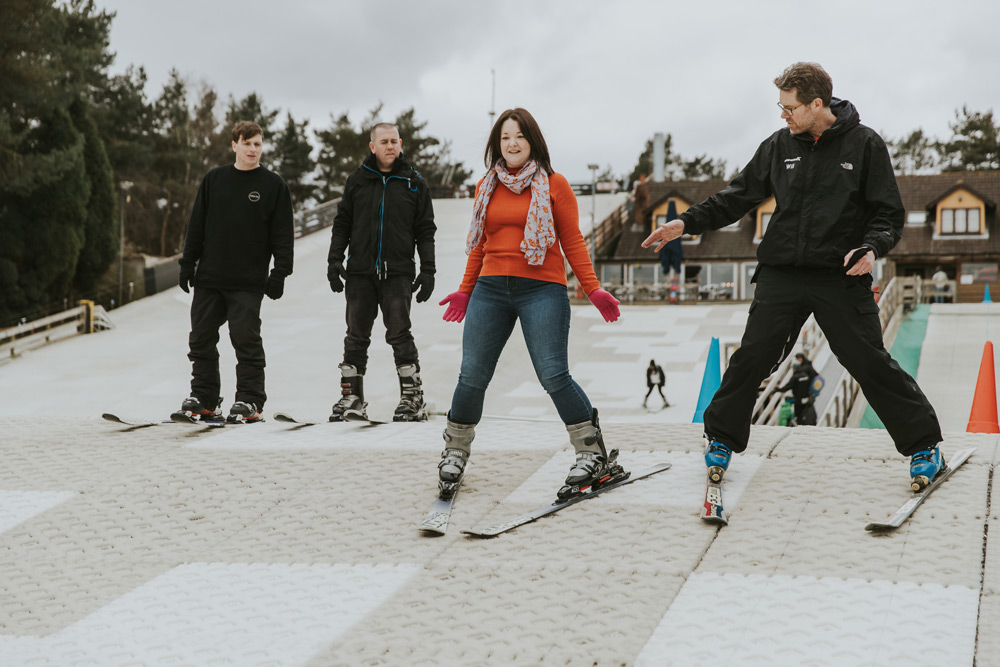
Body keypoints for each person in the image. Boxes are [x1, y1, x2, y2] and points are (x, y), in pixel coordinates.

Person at [641, 62, 945, 490]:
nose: (782, 114)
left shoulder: (864, 146)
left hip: (839, 275)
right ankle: (721, 439)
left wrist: (873, 247)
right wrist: (686, 223)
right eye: (780, 106)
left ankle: (924, 446)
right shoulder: (780, 145)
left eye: (789, 107)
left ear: (817, 104)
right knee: (752, 356)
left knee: (868, 361)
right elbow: (738, 195)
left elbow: (888, 214)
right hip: (782, 272)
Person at [436, 107, 622, 499]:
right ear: (497, 144)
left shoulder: (555, 184)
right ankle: (455, 450)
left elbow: (573, 241)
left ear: (532, 140)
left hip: (541, 289)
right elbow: (481, 244)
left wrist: (593, 289)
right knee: (471, 374)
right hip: (490, 288)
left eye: (518, 135)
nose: (512, 143)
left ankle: (591, 452)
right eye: (505, 137)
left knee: (553, 374)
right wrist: (466, 289)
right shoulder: (486, 185)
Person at [177, 120, 294, 423]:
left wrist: (280, 273)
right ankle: (204, 398)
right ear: (234, 145)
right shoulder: (214, 180)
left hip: (248, 280)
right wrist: (187, 264)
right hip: (210, 277)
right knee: (200, 339)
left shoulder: (273, 185)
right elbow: (197, 226)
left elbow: (283, 234)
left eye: (257, 144)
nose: (253, 149)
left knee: (246, 340)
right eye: (247, 143)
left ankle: (250, 400)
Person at [327, 122, 436, 422]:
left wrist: (429, 270)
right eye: (383, 141)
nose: (390, 146)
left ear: (401, 144)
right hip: (360, 273)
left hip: (397, 274)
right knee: (356, 335)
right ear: (372, 146)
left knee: (400, 334)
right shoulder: (358, 181)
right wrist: (334, 260)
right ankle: (352, 397)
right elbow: (342, 223)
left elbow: (425, 230)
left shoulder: (414, 183)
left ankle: (412, 398)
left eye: (394, 141)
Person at [768, 354, 817, 426]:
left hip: (798, 399)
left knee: (799, 416)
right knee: (807, 412)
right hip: (806, 397)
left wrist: (777, 390)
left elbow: (788, 386)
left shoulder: (796, 376)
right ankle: (809, 424)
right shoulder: (806, 374)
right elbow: (815, 379)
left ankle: (800, 427)